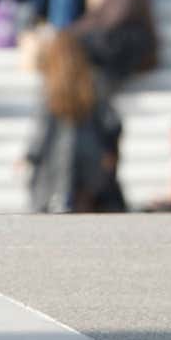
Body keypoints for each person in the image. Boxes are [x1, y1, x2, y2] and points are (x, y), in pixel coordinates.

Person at [24, 32, 124, 213]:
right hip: (93, 152)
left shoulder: (50, 87)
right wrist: (111, 149)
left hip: (56, 155)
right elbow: (111, 122)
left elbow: (43, 127)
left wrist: (32, 154)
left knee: (59, 201)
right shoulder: (94, 81)